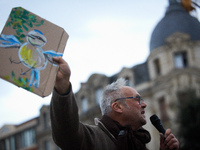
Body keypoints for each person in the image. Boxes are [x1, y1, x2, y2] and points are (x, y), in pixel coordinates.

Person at [50, 57, 179, 150]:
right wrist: (62, 87)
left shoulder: (139, 142)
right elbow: (66, 132)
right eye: (138, 99)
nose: (144, 105)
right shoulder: (92, 138)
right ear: (117, 106)